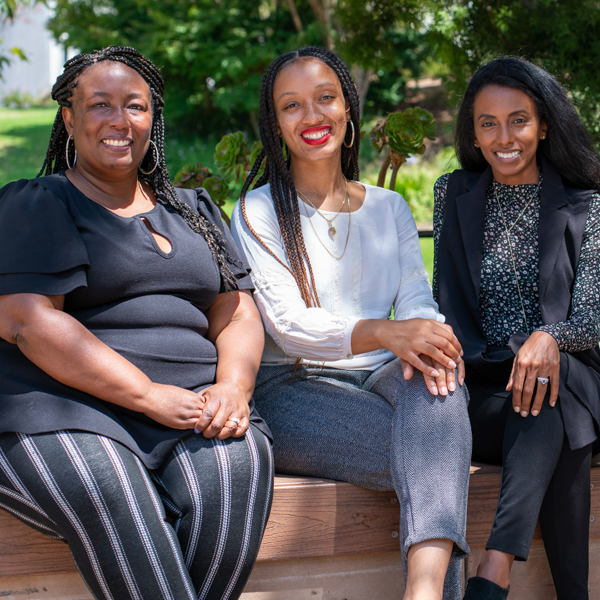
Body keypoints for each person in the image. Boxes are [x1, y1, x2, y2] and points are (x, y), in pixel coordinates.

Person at [0, 46, 273, 600]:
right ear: (69, 120)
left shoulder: (193, 209)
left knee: (239, 468)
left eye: (136, 106)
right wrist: (147, 395)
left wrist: (233, 386)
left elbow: (237, 308)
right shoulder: (39, 202)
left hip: (193, 407)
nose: (119, 120)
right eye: (99, 105)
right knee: (112, 486)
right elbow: (26, 320)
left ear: (154, 118)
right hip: (64, 410)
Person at [230, 46, 471, 600]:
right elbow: (288, 326)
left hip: (382, 372)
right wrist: (387, 332)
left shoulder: (388, 207)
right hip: (291, 384)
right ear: (275, 124)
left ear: (348, 109)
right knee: (436, 452)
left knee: (441, 386)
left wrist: (425, 339)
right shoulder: (255, 212)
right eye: (291, 106)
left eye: (324, 99)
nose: (312, 116)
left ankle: (424, 591)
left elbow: (415, 295)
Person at [433, 57, 600, 600]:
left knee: (554, 385)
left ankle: (495, 566)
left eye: (519, 120)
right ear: (474, 133)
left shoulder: (586, 206)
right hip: (484, 392)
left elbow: (594, 316)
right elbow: (443, 301)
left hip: (569, 379)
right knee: (553, 408)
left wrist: (549, 337)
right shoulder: (452, 194)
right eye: (488, 123)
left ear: (544, 124)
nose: (505, 137)